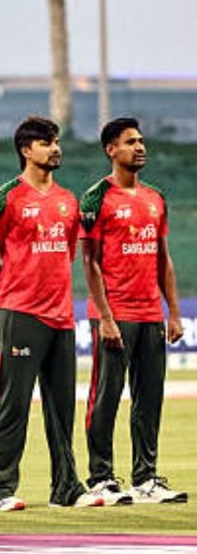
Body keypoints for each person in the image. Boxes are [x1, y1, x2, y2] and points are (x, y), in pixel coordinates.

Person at [0, 116, 104, 511]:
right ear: (25, 150)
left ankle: (66, 487)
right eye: (47, 142)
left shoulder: (69, 201)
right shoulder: (6, 198)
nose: (55, 148)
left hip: (62, 318)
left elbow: (65, 254)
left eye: (57, 141)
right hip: (22, 316)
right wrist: (11, 294)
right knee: (13, 404)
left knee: (61, 407)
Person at [82, 117, 188, 504]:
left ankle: (145, 479)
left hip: (150, 316)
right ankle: (101, 478)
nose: (140, 147)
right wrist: (106, 316)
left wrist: (173, 312)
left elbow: (163, 259)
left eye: (142, 141)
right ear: (112, 149)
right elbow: (89, 262)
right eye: (130, 142)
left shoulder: (156, 198)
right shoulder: (96, 198)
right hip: (114, 315)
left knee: (150, 398)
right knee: (106, 396)